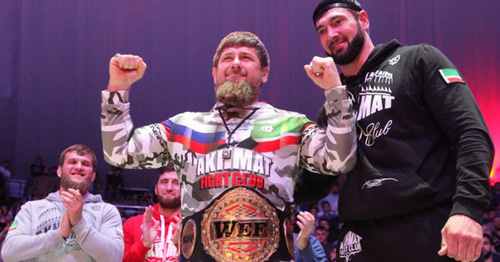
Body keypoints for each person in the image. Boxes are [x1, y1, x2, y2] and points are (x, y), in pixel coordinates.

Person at [100, 31, 357, 261]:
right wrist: (118, 89)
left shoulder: (290, 124)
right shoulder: (183, 126)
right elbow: (119, 152)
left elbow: (340, 160)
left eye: (246, 57)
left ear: (264, 73)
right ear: (214, 74)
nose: (235, 63)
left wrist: (335, 91)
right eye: (227, 58)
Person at [308, 0, 495, 261]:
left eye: (338, 22)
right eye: (322, 30)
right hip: (359, 237)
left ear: (363, 20)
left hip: (427, 226)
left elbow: (471, 133)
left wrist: (467, 209)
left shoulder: (417, 60)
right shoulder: (332, 105)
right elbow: (317, 182)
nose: (331, 34)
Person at [1, 144, 124, 261]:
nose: (79, 167)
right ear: (59, 171)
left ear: (93, 176)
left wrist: (80, 224)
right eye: (72, 162)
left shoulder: (107, 211)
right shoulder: (32, 208)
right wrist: (58, 235)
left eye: (85, 164)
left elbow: (115, 258)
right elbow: (8, 253)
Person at [123, 163, 181, 262]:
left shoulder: (193, 225)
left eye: (176, 182)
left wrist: (183, 246)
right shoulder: (132, 223)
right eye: (164, 182)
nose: (169, 188)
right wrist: (143, 245)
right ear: (155, 189)